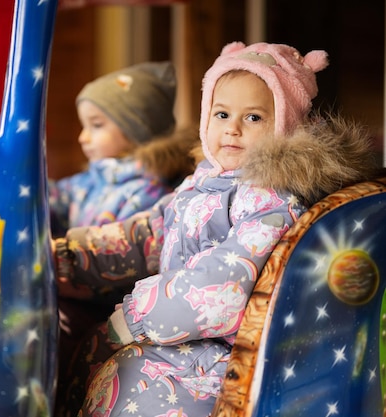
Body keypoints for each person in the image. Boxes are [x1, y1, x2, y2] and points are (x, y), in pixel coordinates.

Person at [53, 41, 379, 417]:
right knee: (75, 350)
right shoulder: (206, 180)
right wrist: (67, 258)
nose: (233, 129)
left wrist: (135, 317)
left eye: (254, 118)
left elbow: (220, 287)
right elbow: (151, 233)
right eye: (222, 114)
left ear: (287, 125)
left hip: (216, 361)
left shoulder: (271, 201)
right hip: (174, 343)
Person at [49, 61, 199, 238]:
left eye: (96, 125)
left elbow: (124, 249)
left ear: (136, 131)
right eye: (84, 126)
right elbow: (55, 198)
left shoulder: (150, 192)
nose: (83, 138)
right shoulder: (93, 179)